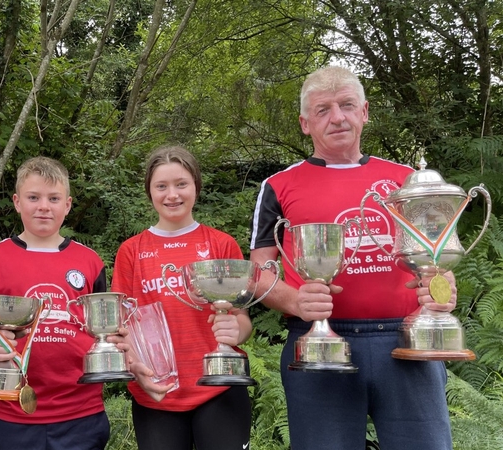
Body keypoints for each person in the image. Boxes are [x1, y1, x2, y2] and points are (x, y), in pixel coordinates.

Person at [249, 66, 455, 449]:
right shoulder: (277, 186)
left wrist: (441, 287)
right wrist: (294, 300)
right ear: (305, 123)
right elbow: (259, 272)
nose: (337, 117)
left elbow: (436, 256)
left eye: (346, 105)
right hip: (317, 344)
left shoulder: (409, 180)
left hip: (407, 340)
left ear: (364, 111)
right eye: (323, 109)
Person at [0, 156, 128, 450]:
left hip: (82, 412)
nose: (43, 206)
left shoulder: (89, 261)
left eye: (54, 198)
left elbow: (104, 329)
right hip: (11, 413)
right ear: (16, 202)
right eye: (33, 197)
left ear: (67, 205)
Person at [110, 145, 253, 450]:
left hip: (219, 387)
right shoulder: (131, 251)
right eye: (161, 186)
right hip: (156, 392)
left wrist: (237, 330)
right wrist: (135, 366)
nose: (171, 194)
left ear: (196, 187)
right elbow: (120, 326)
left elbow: (242, 320)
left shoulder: (221, 244)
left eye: (181, 184)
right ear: (149, 191)